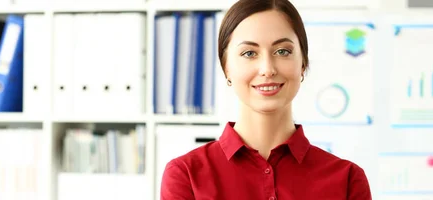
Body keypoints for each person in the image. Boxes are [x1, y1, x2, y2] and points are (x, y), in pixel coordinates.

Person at [159, 0, 372, 199]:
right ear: (226, 68)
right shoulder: (186, 175)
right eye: (249, 53)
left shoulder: (348, 180)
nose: (268, 69)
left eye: (282, 51)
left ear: (303, 64)